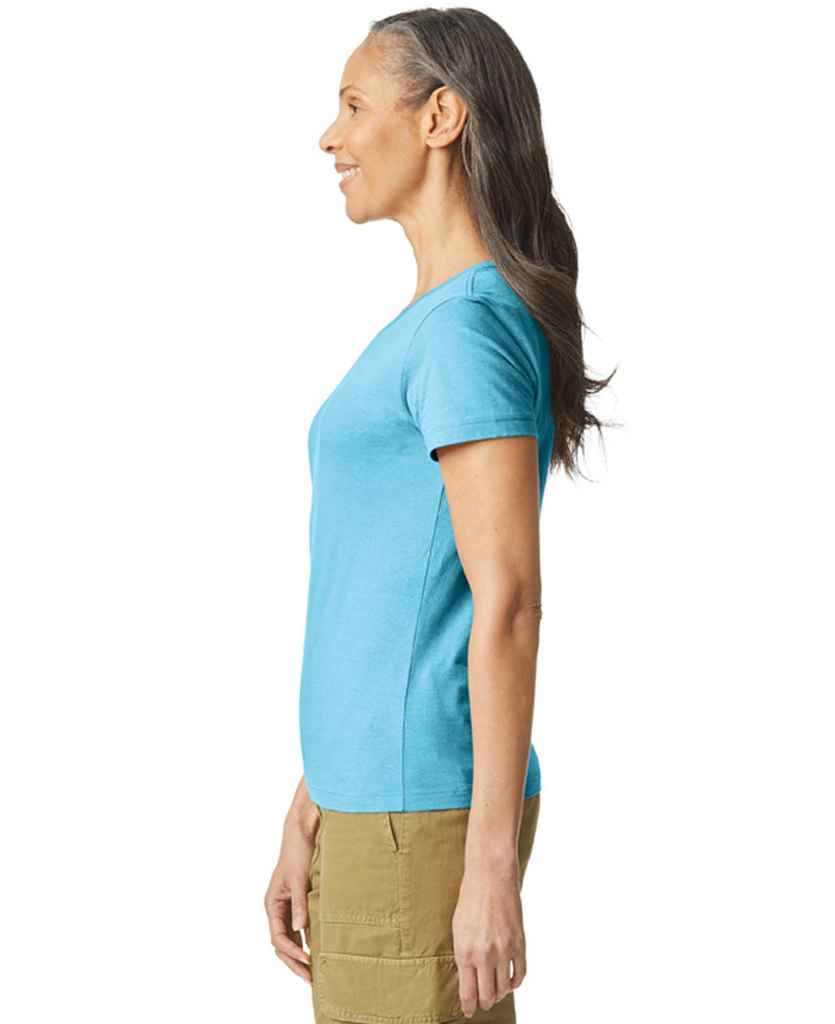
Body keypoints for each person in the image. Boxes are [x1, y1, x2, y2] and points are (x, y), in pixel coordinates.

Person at [265, 9, 614, 1022]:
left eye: (353, 105)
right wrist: (314, 799)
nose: (329, 136)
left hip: (416, 818)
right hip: (373, 804)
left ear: (440, 118)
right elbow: (385, 595)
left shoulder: (463, 329)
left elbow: (506, 600)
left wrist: (490, 866)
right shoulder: (438, 324)